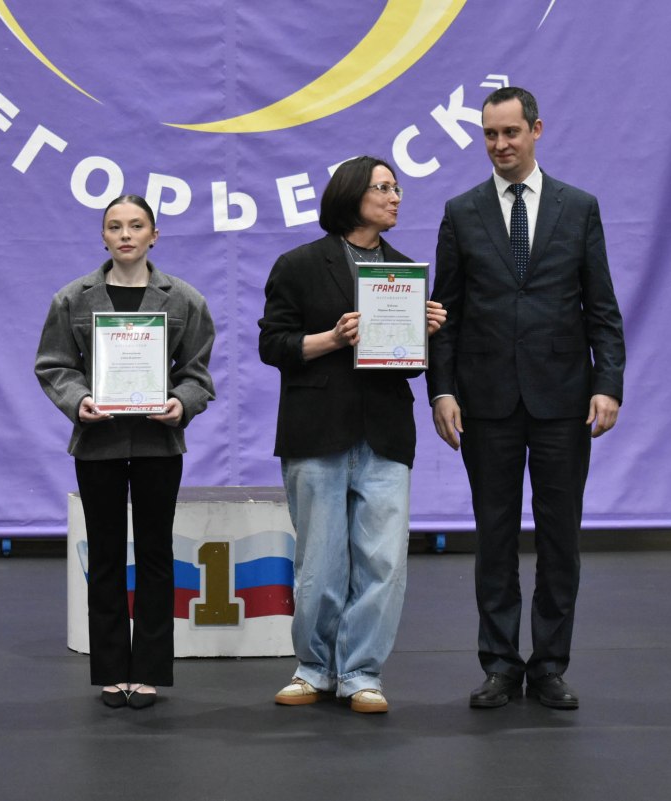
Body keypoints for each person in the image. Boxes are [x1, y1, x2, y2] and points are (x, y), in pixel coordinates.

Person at [427, 87, 625, 710]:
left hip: (563, 400)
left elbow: (602, 307)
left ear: (536, 130)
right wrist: (441, 390)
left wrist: (608, 384)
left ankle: (549, 666)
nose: (500, 144)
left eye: (510, 132)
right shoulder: (461, 212)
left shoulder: (579, 207)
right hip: (484, 402)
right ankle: (499, 665)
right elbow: (444, 315)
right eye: (490, 134)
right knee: (494, 538)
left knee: (561, 538)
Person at [258, 156, 446, 714]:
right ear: (351, 195)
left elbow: (409, 364)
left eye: (397, 188)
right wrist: (333, 339)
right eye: (383, 188)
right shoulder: (299, 264)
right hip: (317, 430)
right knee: (320, 562)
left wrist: (426, 334)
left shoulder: (405, 270)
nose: (395, 197)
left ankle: (362, 673)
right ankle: (313, 668)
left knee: (384, 561)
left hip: (385, 431)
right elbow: (273, 345)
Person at [35, 195, 216, 709]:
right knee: (106, 555)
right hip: (99, 443)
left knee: (156, 554)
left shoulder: (184, 300)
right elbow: (54, 365)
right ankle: (112, 670)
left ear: (154, 235)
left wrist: (181, 404)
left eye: (136, 226)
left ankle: (150, 670)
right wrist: (79, 400)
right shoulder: (73, 299)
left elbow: (197, 373)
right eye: (114, 226)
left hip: (159, 442)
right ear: (103, 237)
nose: (125, 235)